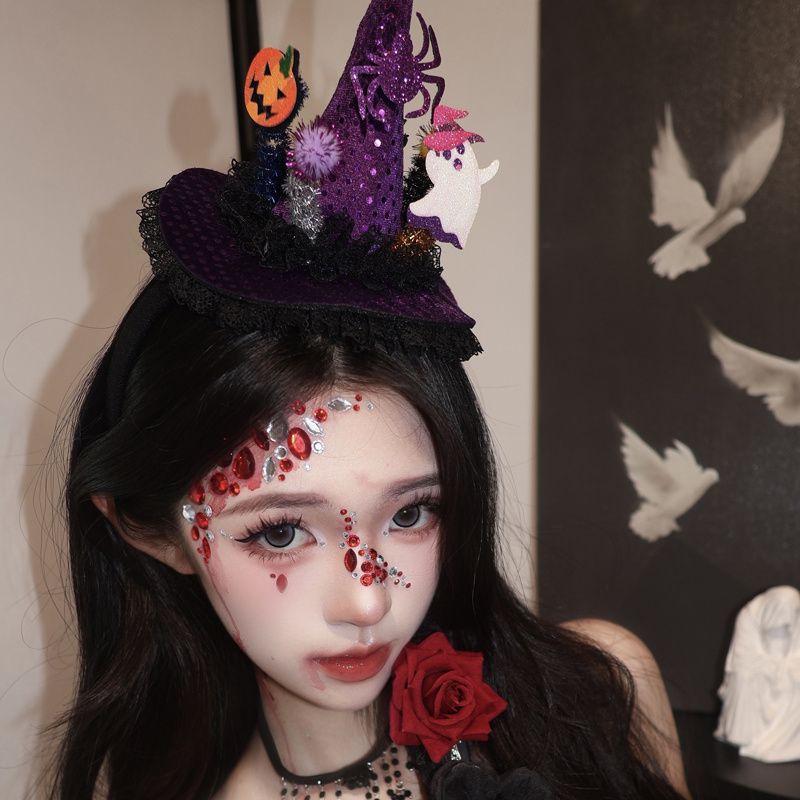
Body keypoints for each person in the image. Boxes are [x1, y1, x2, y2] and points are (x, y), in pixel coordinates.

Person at [49, 1, 690, 798]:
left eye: (414, 512)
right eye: (280, 531)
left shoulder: (602, 694)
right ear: (150, 531)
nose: (368, 598)